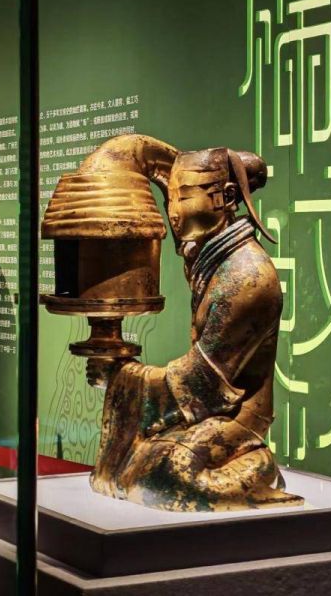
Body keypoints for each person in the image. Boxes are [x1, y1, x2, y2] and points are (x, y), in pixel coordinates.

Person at [86, 146, 302, 510]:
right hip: (209, 412)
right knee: (128, 468)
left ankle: (257, 467)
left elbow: (204, 382)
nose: (173, 211)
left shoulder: (247, 277)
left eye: (184, 197)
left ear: (227, 198)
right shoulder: (211, 259)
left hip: (238, 417)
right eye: (170, 199)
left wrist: (122, 377)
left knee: (158, 473)